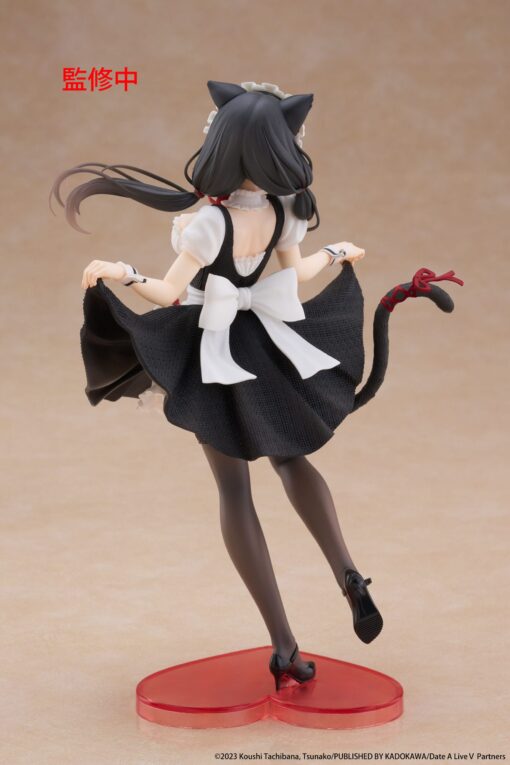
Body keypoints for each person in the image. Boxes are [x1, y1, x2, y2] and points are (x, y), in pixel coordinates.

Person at [51, 80, 461, 691]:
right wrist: (336, 253)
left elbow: (168, 293)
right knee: (291, 459)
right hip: (263, 341)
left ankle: (284, 645)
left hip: (215, 351)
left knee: (234, 489)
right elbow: (297, 275)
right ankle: (350, 575)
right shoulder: (282, 211)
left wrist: (124, 273)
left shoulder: (208, 223)